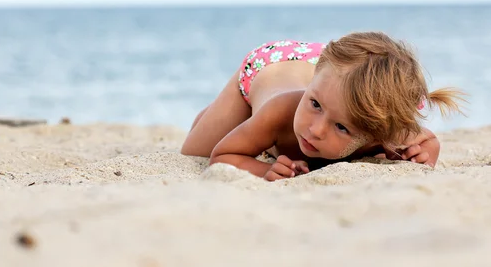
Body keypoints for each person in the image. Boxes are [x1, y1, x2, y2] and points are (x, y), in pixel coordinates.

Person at [181, 31, 465, 181]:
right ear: (317, 79)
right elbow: (222, 156)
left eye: (341, 127)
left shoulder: (380, 123)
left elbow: (427, 141)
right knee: (196, 149)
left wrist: (420, 155)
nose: (315, 130)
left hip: (332, 83)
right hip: (266, 68)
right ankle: (213, 113)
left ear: (376, 134)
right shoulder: (282, 111)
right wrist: (263, 171)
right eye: (314, 105)